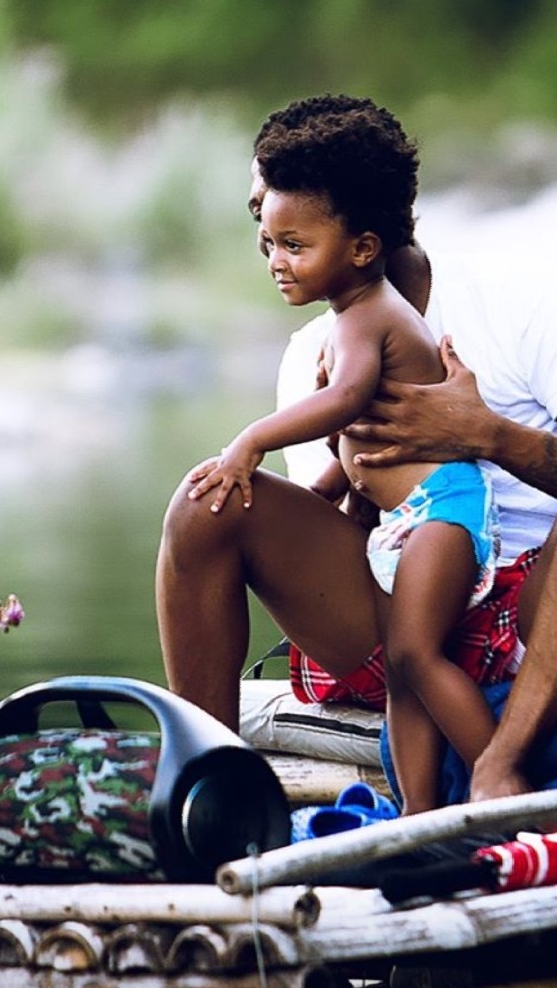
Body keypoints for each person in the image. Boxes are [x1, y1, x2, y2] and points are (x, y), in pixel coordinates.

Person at [156, 95, 557, 802]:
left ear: (360, 237)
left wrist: (486, 435)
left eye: (283, 227)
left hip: (542, 611)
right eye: (261, 221)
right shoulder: (311, 355)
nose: (266, 247)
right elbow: (354, 538)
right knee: (206, 502)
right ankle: (209, 792)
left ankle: (502, 763)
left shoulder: (518, 297)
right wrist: (349, 462)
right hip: (399, 610)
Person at [184, 108, 501, 813]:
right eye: (268, 243)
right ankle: (420, 816)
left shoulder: (370, 315)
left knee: (418, 656)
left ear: (361, 248)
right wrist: (315, 501)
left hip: (442, 513)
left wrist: (252, 442)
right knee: (401, 674)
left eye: (295, 245)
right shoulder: (343, 317)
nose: (276, 262)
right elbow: (361, 456)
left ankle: (500, 781)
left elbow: (349, 399)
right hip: (405, 520)